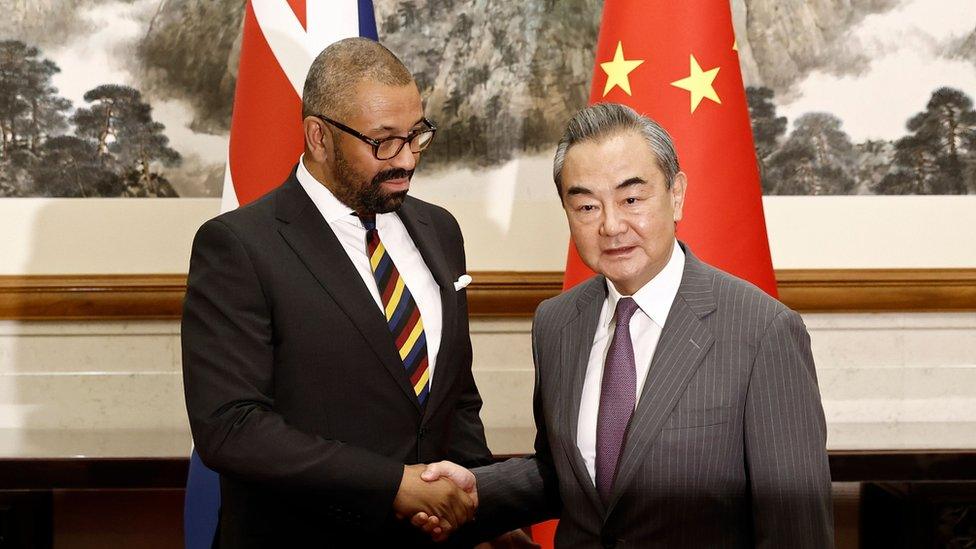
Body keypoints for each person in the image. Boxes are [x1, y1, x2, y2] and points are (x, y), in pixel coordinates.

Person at [416, 103, 834, 548]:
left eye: (632, 199)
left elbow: (798, 530)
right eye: (587, 206)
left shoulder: (762, 331)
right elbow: (568, 472)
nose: (611, 226)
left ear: (676, 195)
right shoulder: (557, 323)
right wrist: (473, 491)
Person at [182, 37, 493, 547]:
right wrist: (393, 485)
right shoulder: (238, 246)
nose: (408, 159)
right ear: (319, 137)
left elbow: (454, 398)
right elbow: (230, 427)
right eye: (384, 141)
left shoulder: (440, 230)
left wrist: (484, 516)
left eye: (417, 134)